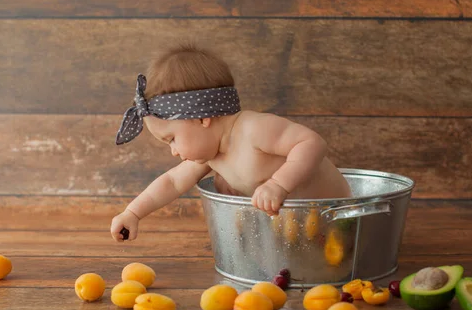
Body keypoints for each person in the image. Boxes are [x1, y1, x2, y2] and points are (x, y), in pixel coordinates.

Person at [110, 44, 351, 242]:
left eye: (172, 139)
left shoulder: (253, 129)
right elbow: (171, 182)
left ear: (202, 118)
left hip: (340, 221)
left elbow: (311, 142)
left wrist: (278, 184)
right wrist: (133, 213)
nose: (173, 151)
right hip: (294, 235)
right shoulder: (212, 155)